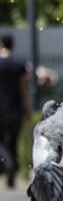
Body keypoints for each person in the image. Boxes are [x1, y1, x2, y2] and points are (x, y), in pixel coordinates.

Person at [0, 34, 31, 188]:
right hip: (16, 107)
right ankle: (11, 176)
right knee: (13, 141)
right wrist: (27, 108)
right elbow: (24, 87)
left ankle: (9, 165)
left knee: (1, 142)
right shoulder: (19, 63)